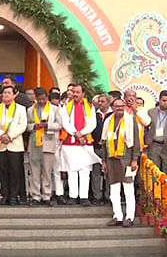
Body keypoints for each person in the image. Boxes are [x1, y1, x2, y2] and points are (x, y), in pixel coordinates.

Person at [102, 98, 140, 227]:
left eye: (121, 106)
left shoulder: (130, 120)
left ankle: (129, 217)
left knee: (128, 189)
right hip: (112, 160)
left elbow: (136, 141)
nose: (119, 108)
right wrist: (104, 162)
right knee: (114, 190)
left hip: (127, 160)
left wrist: (135, 159)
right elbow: (104, 143)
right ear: (112, 107)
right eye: (117, 106)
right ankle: (117, 216)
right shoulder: (108, 121)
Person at [59, 84, 98, 206]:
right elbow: (65, 122)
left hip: (85, 141)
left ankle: (84, 197)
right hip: (70, 142)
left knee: (85, 170)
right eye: (73, 92)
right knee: (72, 169)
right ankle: (73, 195)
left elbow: (92, 124)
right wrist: (76, 134)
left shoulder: (90, 107)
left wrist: (82, 133)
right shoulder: (66, 106)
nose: (75, 94)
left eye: (77, 92)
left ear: (83, 94)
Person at [26, 87, 61, 205]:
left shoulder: (54, 109)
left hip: (48, 142)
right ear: (35, 98)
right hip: (34, 143)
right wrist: (34, 126)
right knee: (35, 171)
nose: (41, 101)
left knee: (47, 171)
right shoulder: (31, 110)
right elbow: (27, 126)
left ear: (47, 98)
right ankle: (35, 195)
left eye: (43, 99)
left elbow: (59, 125)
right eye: (39, 99)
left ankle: (47, 195)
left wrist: (47, 125)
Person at [0, 85, 27, 205]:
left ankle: (13, 196)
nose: (6, 95)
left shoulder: (20, 109)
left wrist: (10, 136)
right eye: (5, 93)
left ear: (13, 95)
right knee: (3, 171)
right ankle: (5, 195)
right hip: (1, 144)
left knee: (15, 171)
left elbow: (22, 125)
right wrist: (1, 135)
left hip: (15, 144)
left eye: (8, 93)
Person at [90, 93, 113, 205]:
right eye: (99, 101)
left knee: (109, 173)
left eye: (102, 101)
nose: (100, 103)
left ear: (108, 103)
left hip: (110, 148)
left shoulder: (113, 115)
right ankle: (97, 196)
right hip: (96, 147)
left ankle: (108, 196)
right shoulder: (94, 115)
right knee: (96, 173)